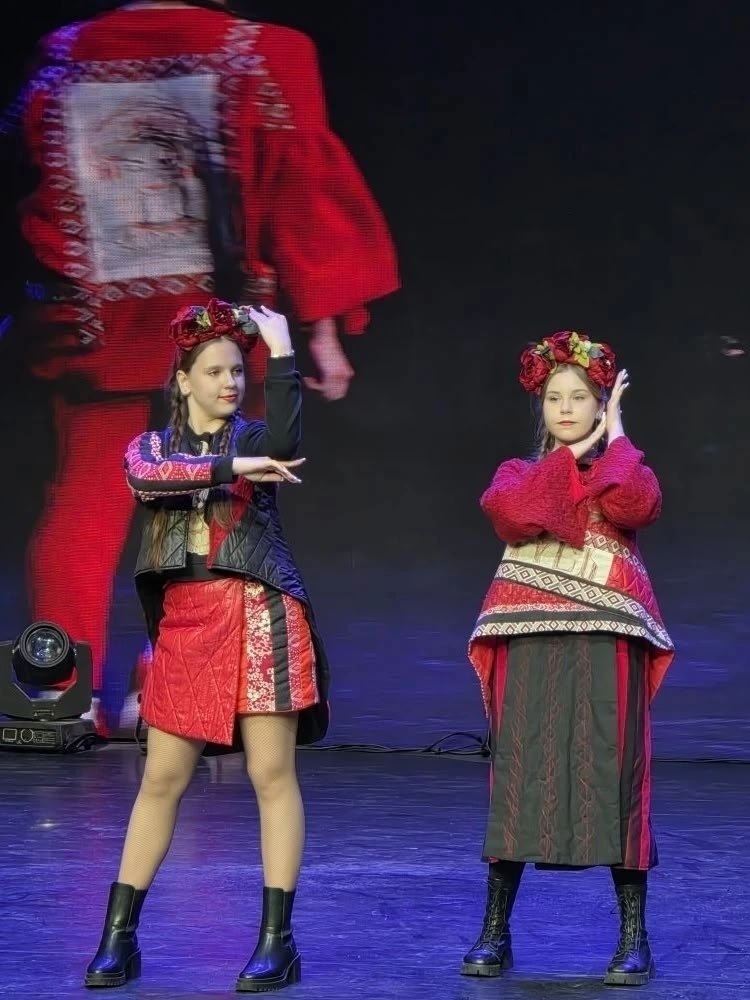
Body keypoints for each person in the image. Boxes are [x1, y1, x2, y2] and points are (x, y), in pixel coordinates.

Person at [8, 0, 398, 731]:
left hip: (96, 320)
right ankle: (171, 692)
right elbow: (299, 191)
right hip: (221, 327)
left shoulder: (62, 51)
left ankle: (58, 693)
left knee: (83, 502)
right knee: (214, 501)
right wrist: (322, 328)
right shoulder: (265, 51)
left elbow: (27, 179)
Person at [84, 299, 328, 991]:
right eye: (215, 372)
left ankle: (277, 944)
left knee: (270, 774)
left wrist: (282, 350)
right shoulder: (152, 448)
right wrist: (237, 467)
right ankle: (118, 938)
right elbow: (147, 479)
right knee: (162, 778)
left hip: (259, 611)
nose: (229, 382)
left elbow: (283, 441)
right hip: (187, 623)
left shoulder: (257, 436)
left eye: (237, 372)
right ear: (183, 380)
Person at [461, 330, 675, 986]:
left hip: (607, 636)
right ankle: (495, 932)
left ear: (602, 404)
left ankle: (633, 938)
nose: (565, 407)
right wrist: (580, 452)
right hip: (529, 634)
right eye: (555, 397)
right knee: (519, 776)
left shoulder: (626, 468)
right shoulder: (517, 473)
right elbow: (516, 513)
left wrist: (616, 439)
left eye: (580, 398)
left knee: (615, 776)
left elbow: (635, 503)